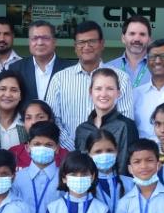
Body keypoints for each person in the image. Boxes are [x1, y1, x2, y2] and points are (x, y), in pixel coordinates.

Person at [47, 21, 134, 151]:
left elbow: (125, 120)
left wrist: (104, 149)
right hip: (70, 156)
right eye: (81, 42)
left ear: (102, 44)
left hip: (109, 157)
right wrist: (75, 148)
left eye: (92, 41)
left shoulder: (121, 78)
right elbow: (53, 119)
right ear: (75, 46)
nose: (86, 46)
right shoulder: (59, 79)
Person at [74, 68, 138, 168]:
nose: (103, 94)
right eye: (98, 89)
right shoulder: (82, 129)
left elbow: (126, 166)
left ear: (118, 93)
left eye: (110, 89)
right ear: (90, 92)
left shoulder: (126, 126)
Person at [10, 20, 72, 104]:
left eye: (45, 38)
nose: (40, 43)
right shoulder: (16, 69)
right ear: (29, 42)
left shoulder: (70, 69)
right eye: (34, 38)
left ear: (54, 41)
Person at [133, 39, 164, 140]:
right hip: (144, 153)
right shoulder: (135, 94)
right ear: (147, 62)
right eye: (153, 57)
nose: (158, 61)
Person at [9, 101, 69, 168]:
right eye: (28, 118)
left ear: (50, 120)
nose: (33, 122)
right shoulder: (14, 153)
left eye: (40, 117)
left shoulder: (65, 156)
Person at [105, 15, 152, 87]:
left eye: (142, 34)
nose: (137, 39)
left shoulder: (162, 69)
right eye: (132, 34)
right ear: (123, 38)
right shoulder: (108, 69)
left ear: (149, 40)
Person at [0, 70, 26, 150]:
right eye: (2, 89)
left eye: (14, 90)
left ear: (21, 96)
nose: (7, 94)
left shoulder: (27, 123)